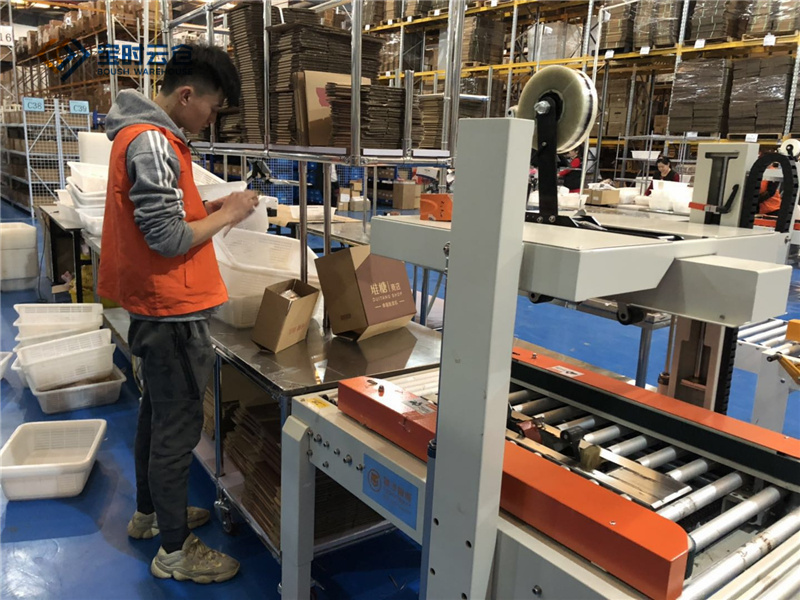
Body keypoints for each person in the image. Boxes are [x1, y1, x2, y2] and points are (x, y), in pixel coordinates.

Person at [98, 44, 259, 584]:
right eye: (212, 107)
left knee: (156, 416)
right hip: (170, 312)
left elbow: (163, 218)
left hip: (156, 306)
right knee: (177, 429)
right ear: (186, 95)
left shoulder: (146, 137)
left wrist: (209, 210)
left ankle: (150, 514)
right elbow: (167, 239)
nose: (212, 118)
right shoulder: (151, 142)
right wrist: (230, 213)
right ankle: (174, 550)